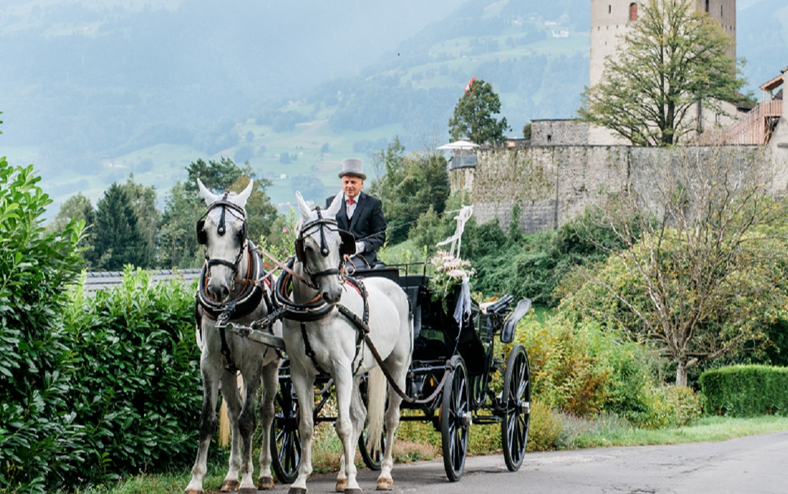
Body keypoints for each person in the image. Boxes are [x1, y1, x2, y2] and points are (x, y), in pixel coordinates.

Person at [326, 158, 387, 269]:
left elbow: (380, 236)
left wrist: (360, 247)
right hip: (336, 256)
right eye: (346, 182)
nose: (349, 186)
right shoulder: (331, 203)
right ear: (342, 184)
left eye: (353, 182)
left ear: (361, 183)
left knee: (349, 270)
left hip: (362, 257)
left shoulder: (373, 204)